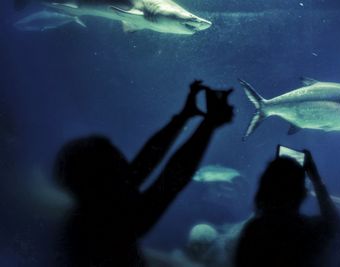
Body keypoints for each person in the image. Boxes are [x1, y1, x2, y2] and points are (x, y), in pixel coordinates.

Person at [53, 81, 234, 267]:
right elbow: (170, 181)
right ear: (103, 179)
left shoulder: (91, 213)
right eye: (118, 159)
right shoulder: (109, 226)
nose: (127, 162)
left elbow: (143, 164)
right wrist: (208, 124)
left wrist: (183, 117)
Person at [235, 151, 340, 267]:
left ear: (264, 188)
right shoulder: (306, 230)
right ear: (302, 193)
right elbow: (334, 226)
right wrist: (315, 177)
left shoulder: (253, 230)